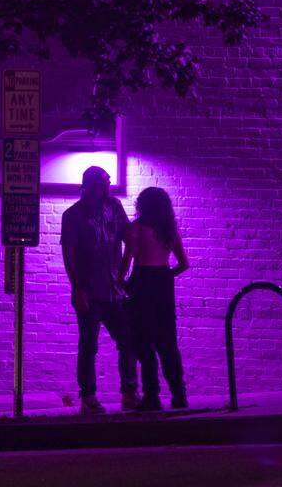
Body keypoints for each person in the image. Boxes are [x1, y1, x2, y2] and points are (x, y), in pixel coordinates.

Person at [60, 166, 138, 414]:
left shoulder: (113, 207)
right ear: (91, 185)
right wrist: (77, 289)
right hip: (88, 290)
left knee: (127, 340)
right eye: (105, 182)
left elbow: (130, 239)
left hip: (114, 290)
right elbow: (69, 254)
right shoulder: (72, 215)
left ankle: (129, 393)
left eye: (109, 182)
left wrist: (123, 271)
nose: (108, 186)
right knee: (88, 345)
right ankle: (88, 397)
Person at [119, 186, 189, 410]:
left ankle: (152, 396)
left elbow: (128, 258)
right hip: (163, 282)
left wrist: (120, 281)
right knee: (168, 341)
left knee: (144, 342)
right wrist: (166, 276)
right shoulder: (169, 230)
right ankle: (179, 395)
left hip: (142, 281)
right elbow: (184, 264)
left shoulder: (136, 228)